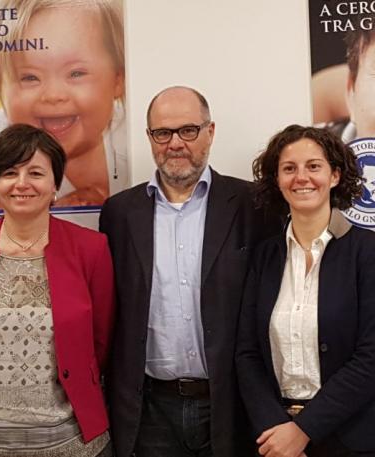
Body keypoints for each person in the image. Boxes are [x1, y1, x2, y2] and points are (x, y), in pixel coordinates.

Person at [99, 86, 280, 457]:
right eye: (162, 133)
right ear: (150, 138)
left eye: (188, 130)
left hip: (231, 403)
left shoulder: (254, 205)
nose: (175, 143)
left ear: (210, 132)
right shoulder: (119, 213)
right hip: (150, 410)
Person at [0, 124, 115, 456]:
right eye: (10, 172)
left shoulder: (91, 249)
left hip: (73, 444)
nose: (22, 183)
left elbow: (101, 342)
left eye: (35, 172)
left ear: (55, 185)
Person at [237, 125, 375, 456]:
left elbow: (370, 357)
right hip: (276, 440)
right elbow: (247, 353)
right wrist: (278, 432)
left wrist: (303, 429)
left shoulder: (367, 252)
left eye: (314, 166)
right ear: (278, 180)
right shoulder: (265, 256)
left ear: (336, 176)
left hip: (353, 438)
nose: (302, 177)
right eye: (289, 168)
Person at [0, 0, 126, 207]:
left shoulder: (133, 131)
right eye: (30, 78)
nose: (53, 95)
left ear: (118, 79)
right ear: (0, 86)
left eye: (76, 73)